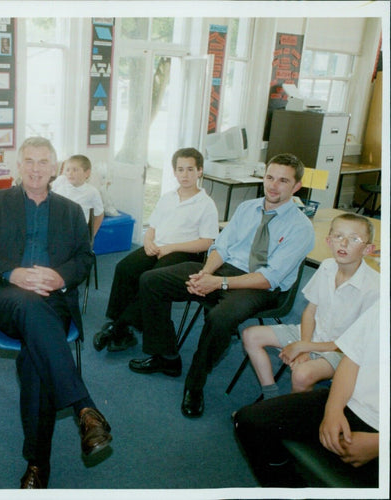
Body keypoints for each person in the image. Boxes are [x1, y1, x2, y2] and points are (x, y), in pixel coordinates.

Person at [0, 137, 112, 489]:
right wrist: (14, 273)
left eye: (43, 162)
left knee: (36, 357)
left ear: (54, 168)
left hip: (53, 299)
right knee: (29, 307)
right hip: (5, 296)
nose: (36, 168)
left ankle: (37, 463)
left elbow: (84, 258)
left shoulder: (70, 209)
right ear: (19, 166)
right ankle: (83, 405)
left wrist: (61, 276)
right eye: (29, 161)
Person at [129, 153, 315, 418]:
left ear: (296, 187)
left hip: (260, 286)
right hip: (224, 270)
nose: (273, 186)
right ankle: (166, 357)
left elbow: (269, 278)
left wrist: (219, 283)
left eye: (283, 181)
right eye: (270, 177)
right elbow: (221, 247)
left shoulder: (301, 227)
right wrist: (204, 273)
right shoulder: (246, 209)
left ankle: (195, 384)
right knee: (152, 280)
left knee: (220, 317)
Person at [233, 300, 380, 487]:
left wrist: (380, 444)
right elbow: (352, 359)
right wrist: (333, 410)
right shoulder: (381, 307)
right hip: (350, 400)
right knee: (248, 421)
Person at [93, 147, 218, 352]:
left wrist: (171, 248)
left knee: (151, 278)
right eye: (180, 169)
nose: (184, 175)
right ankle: (121, 326)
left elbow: (206, 242)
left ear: (200, 171)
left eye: (190, 169)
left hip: (185, 252)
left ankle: (120, 327)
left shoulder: (206, 204)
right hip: (158, 246)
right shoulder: (168, 197)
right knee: (125, 267)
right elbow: (152, 228)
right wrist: (149, 241)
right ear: (174, 172)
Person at [242, 213, 378, 399]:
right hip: (312, 335)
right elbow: (310, 312)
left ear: (368, 249)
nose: (344, 244)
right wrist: (304, 346)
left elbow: (357, 344)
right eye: (338, 236)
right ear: (328, 241)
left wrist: (303, 346)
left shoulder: (374, 288)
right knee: (251, 335)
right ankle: (271, 398)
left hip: (343, 351)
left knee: (302, 374)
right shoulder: (327, 267)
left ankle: (292, 415)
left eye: (354, 239)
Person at [50, 154, 104, 238]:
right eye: (67, 170)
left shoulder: (92, 192)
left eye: (75, 170)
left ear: (87, 173)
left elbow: (99, 214)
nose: (70, 173)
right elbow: (48, 196)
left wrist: (92, 235)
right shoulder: (61, 180)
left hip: (75, 233)